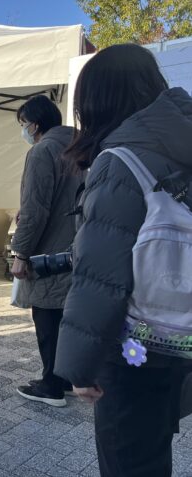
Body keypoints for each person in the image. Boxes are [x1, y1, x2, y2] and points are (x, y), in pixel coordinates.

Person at [55, 44, 192, 476]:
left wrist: (78, 365)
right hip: (183, 338)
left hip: (138, 345)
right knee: (153, 448)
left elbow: (101, 275)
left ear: (98, 101)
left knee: (129, 459)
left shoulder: (121, 160)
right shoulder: (180, 144)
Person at [11, 95, 82, 407]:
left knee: (46, 315)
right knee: (65, 316)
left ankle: (51, 385)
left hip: (49, 253)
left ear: (35, 125)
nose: (24, 130)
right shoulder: (78, 146)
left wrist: (20, 253)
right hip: (77, 247)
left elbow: (35, 210)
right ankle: (65, 378)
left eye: (24, 124)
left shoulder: (42, 151)